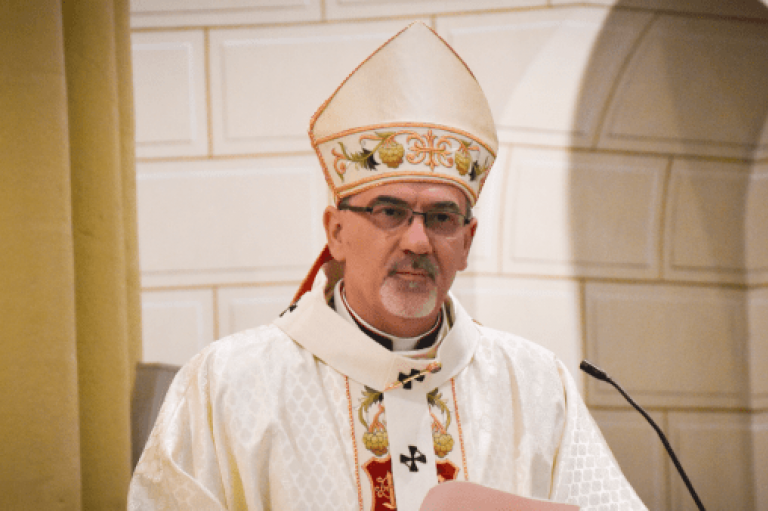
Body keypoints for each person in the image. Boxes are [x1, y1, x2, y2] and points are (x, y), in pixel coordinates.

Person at [128, 22, 646, 511]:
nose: (417, 240)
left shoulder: (535, 387)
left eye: (442, 217)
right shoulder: (228, 384)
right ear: (336, 232)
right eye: (389, 211)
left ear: (467, 242)